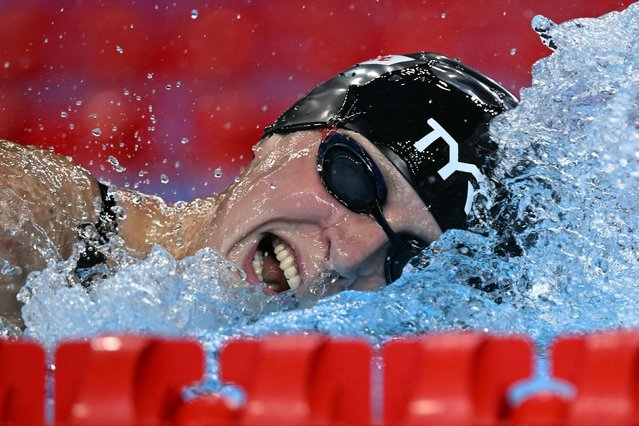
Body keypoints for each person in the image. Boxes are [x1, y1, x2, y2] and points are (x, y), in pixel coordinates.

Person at [0, 52, 518, 328]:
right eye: (355, 181)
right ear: (283, 132)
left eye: (406, 258)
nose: (353, 254)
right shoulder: (30, 224)